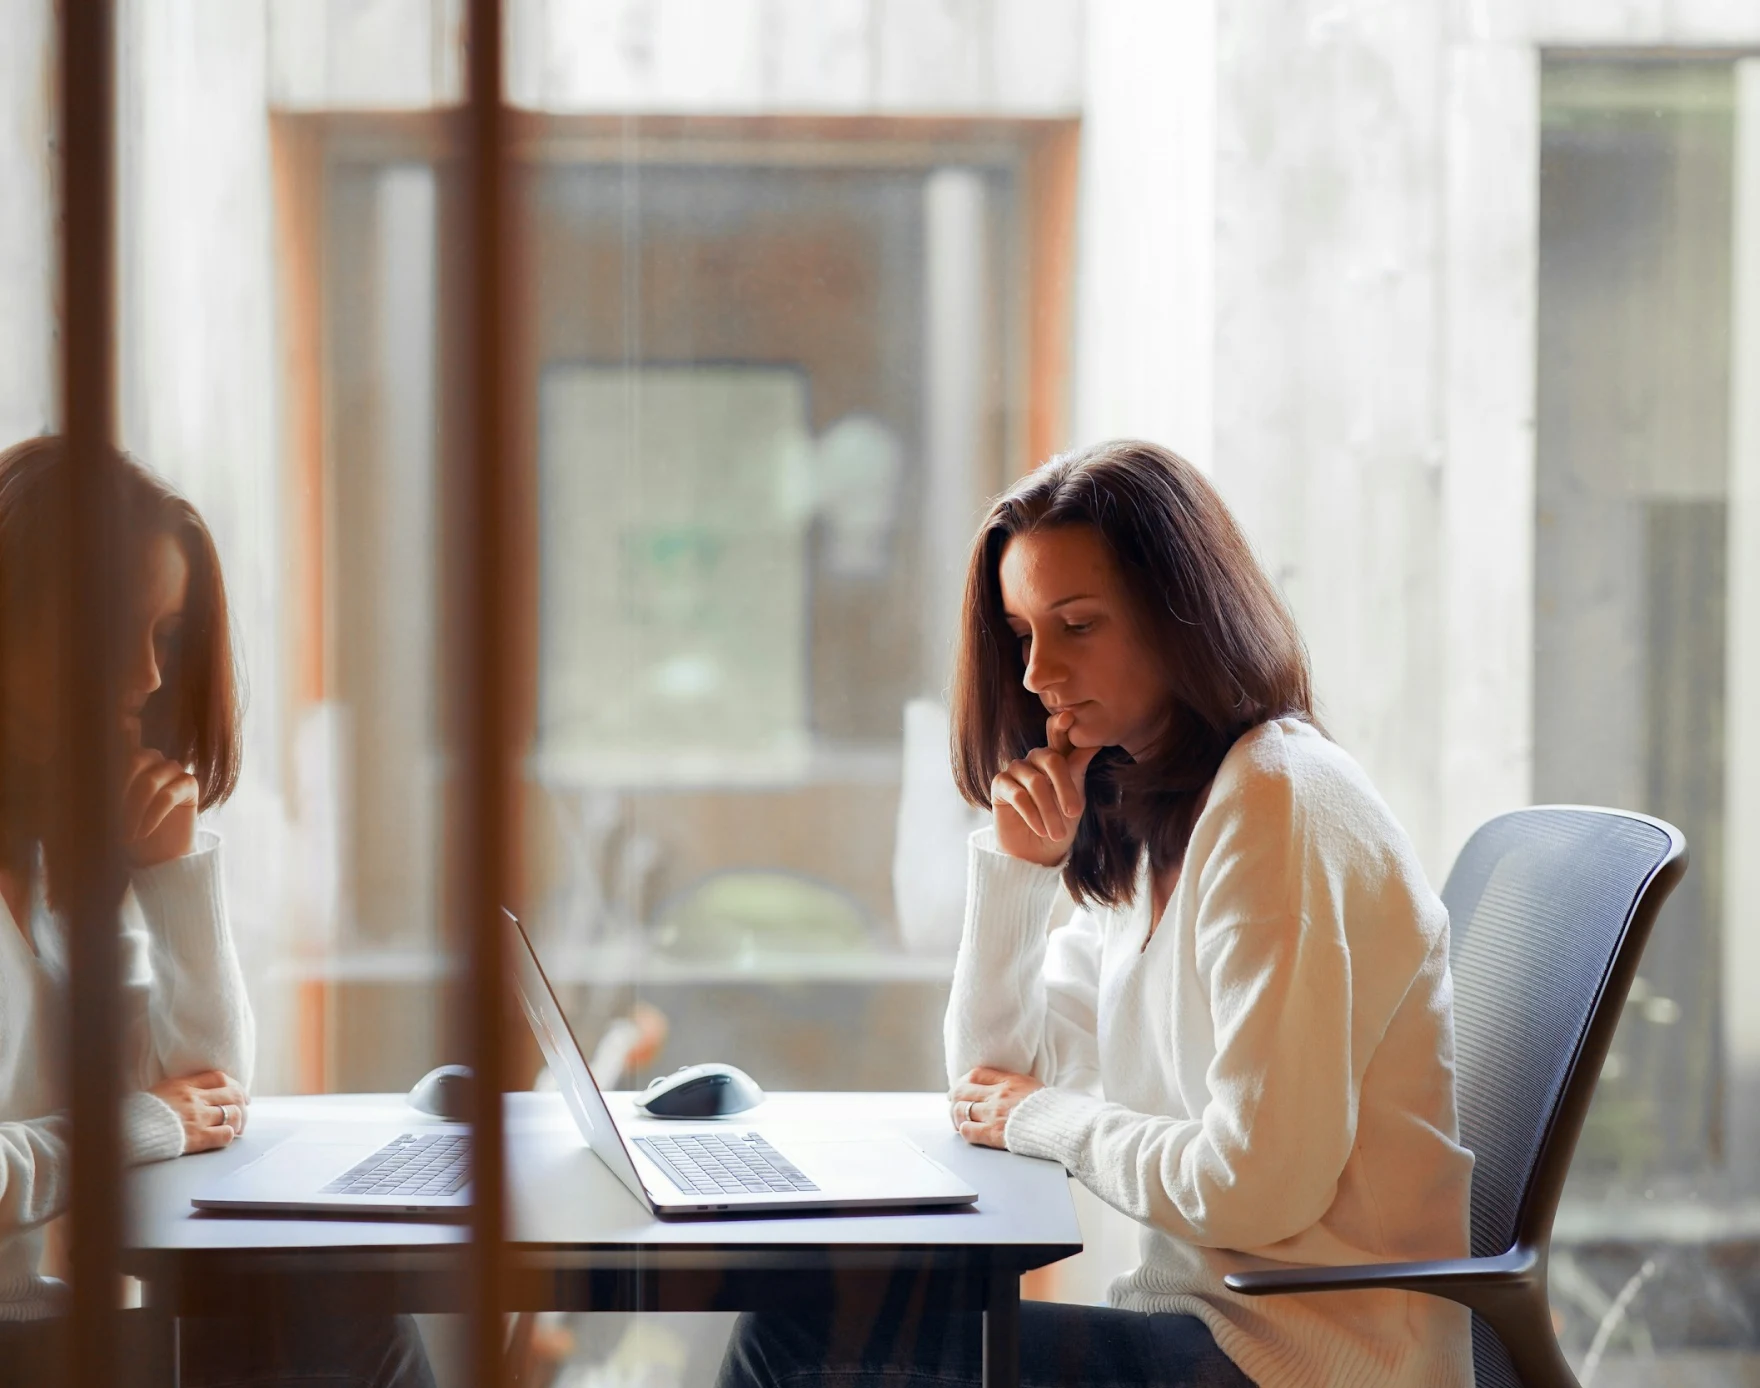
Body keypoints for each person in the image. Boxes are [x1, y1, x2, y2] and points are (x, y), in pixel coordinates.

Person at [719, 440, 1474, 1388]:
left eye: (1076, 625)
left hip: (1304, 1365)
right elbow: (989, 1083)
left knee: (796, 1337)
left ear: (1181, 621)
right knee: (808, 1324)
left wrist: (1045, 1118)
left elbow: (1255, 1187)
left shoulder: (1277, 805)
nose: (1037, 673)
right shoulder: (1156, 816)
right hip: (1207, 1332)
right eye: (1022, 631)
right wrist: (1018, 870)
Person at [0, 435, 433, 1387]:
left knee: (338, 1293)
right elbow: (166, 1116)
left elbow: (211, 1093)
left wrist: (172, 876)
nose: (151, 678)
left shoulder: (52, 867)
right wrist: (141, 1125)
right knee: (338, 1314)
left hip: (46, 1334)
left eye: (166, 635)